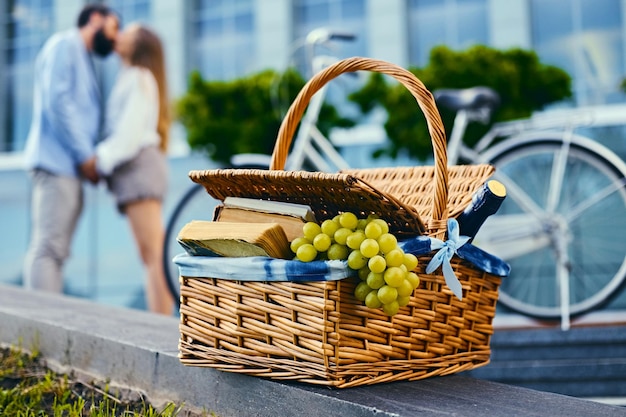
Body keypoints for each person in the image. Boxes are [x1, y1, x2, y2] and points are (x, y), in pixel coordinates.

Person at [23, 5, 120, 292]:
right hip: (57, 165)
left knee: (57, 251)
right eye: (114, 28)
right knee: (48, 249)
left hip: (67, 168)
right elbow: (58, 102)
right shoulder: (64, 45)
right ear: (95, 19)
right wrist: (86, 156)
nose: (115, 40)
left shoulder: (83, 57)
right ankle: (40, 328)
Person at [82, 24, 173, 315]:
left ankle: (160, 324)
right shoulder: (131, 77)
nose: (117, 35)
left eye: (126, 33)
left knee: (153, 254)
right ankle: (158, 319)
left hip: (139, 169)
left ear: (139, 45)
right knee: (148, 254)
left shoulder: (139, 77)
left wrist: (100, 160)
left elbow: (129, 134)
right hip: (134, 172)